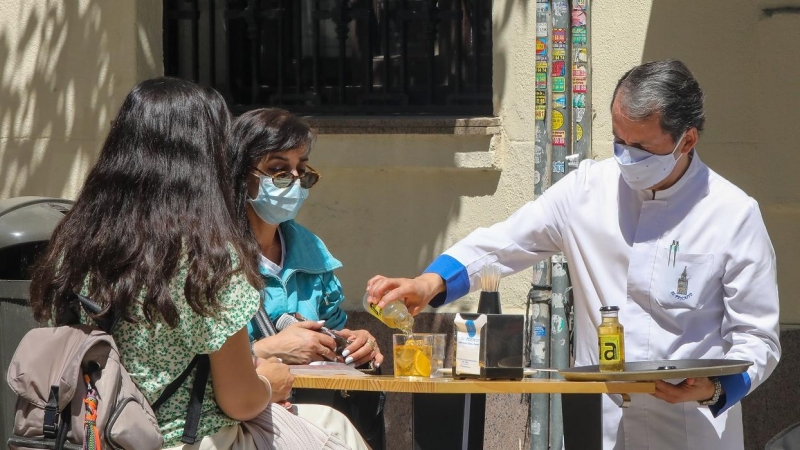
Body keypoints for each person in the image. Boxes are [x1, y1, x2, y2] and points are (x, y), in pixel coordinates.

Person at [365, 60, 780, 450]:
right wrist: (429, 282)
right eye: (619, 141)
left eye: (642, 147)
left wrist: (715, 387)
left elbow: (758, 338)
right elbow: (504, 242)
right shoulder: (586, 190)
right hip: (599, 419)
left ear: (687, 139)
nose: (626, 157)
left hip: (694, 425)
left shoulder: (732, 213)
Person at [28, 78, 356, 449]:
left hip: (86, 437)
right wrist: (270, 383)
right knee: (335, 430)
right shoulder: (207, 258)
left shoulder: (77, 241)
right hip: (184, 439)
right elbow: (240, 399)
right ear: (206, 157)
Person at [228, 108, 381, 449]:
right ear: (241, 174)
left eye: (302, 170)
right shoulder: (214, 258)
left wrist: (356, 343)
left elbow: (335, 326)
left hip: (313, 410)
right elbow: (196, 363)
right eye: (278, 170)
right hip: (240, 420)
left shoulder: (311, 250)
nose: (294, 181)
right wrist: (268, 349)